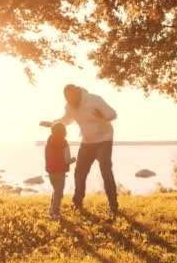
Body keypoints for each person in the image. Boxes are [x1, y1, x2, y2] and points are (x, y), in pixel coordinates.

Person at [40, 84, 119, 215]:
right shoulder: (70, 106)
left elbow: (113, 114)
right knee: (79, 173)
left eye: (71, 98)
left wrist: (103, 116)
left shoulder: (94, 100)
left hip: (103, 140)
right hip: (87, 142)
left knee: (106, 172)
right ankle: (77, 203)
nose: (69, 101)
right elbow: (66, 120)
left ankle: (113, 206)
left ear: (78, 94)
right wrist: (52, 124)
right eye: (66, 99)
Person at [45, 123, 76, 221]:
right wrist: (73, 160)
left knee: (56, 191)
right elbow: (67, 160)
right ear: (64, 132)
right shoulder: (64, 143)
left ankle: (51, 210)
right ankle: (55, 213)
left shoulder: (49, 142)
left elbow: (47, 157)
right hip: (60, 172)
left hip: (51, 171)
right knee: (59, 193)